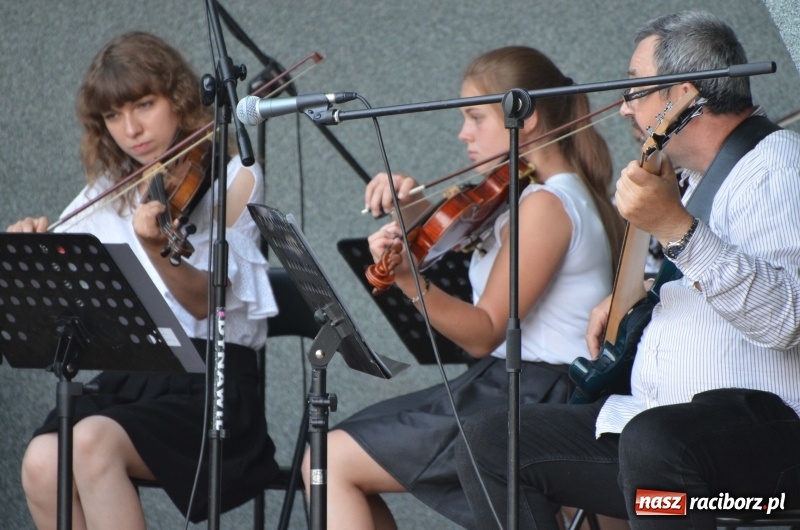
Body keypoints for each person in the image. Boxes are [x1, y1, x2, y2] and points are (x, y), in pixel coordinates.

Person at [456, 11, 800, 530]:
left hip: (759, 455)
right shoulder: (692, 181)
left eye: (635, 89)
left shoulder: (775, 169)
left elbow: (788, 318)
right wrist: (646, 291)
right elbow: (721, 271)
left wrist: (677, 228)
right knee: (490, 441)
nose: (623, 107)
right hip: (656, 444)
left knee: (656, 441)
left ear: (683, 95)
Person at [302, 45, 626, 530]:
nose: (463, 133)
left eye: (476, 117)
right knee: (331, 457)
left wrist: (408, 278)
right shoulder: (546, 194)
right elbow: (459, 237)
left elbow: (485, 331)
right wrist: (415, 208)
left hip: (536, 395)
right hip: (520, 385)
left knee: (329, 460)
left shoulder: (545, 205)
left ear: (525, 116)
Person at [11, 32, 280, 529]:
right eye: (113, 115)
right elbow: (64, 263)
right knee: (42, 461)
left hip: (211, 383)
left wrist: (157, 249)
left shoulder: (234, 176)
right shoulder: (111, 188)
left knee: (89, 443)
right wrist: (28, 249)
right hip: (135, 378)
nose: (131, 129)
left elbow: (203, 303)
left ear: (178, 98)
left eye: (144, 105)